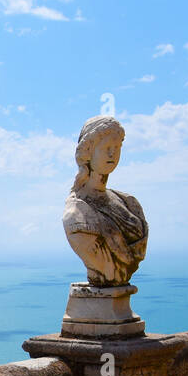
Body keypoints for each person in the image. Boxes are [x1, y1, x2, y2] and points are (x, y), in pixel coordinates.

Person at [62, 115, 147, 287]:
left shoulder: (129, 203)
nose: (112, 154)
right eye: (107, 147)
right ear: (88, 151)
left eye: (117, 147)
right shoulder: (77, 213)